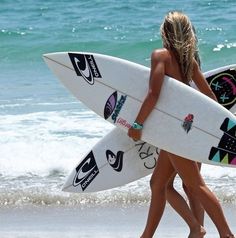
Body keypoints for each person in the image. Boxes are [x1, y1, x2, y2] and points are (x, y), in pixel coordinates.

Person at [128, 11, 235, 238]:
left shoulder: (160, 55)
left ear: (165, 32)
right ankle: (157, 234)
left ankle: (225, 234)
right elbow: (211, 100)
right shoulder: (190, 62)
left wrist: (137, 125)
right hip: (186, 128)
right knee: (159, 184)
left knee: (195, 185)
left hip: (174, 133)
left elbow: (153, 94)